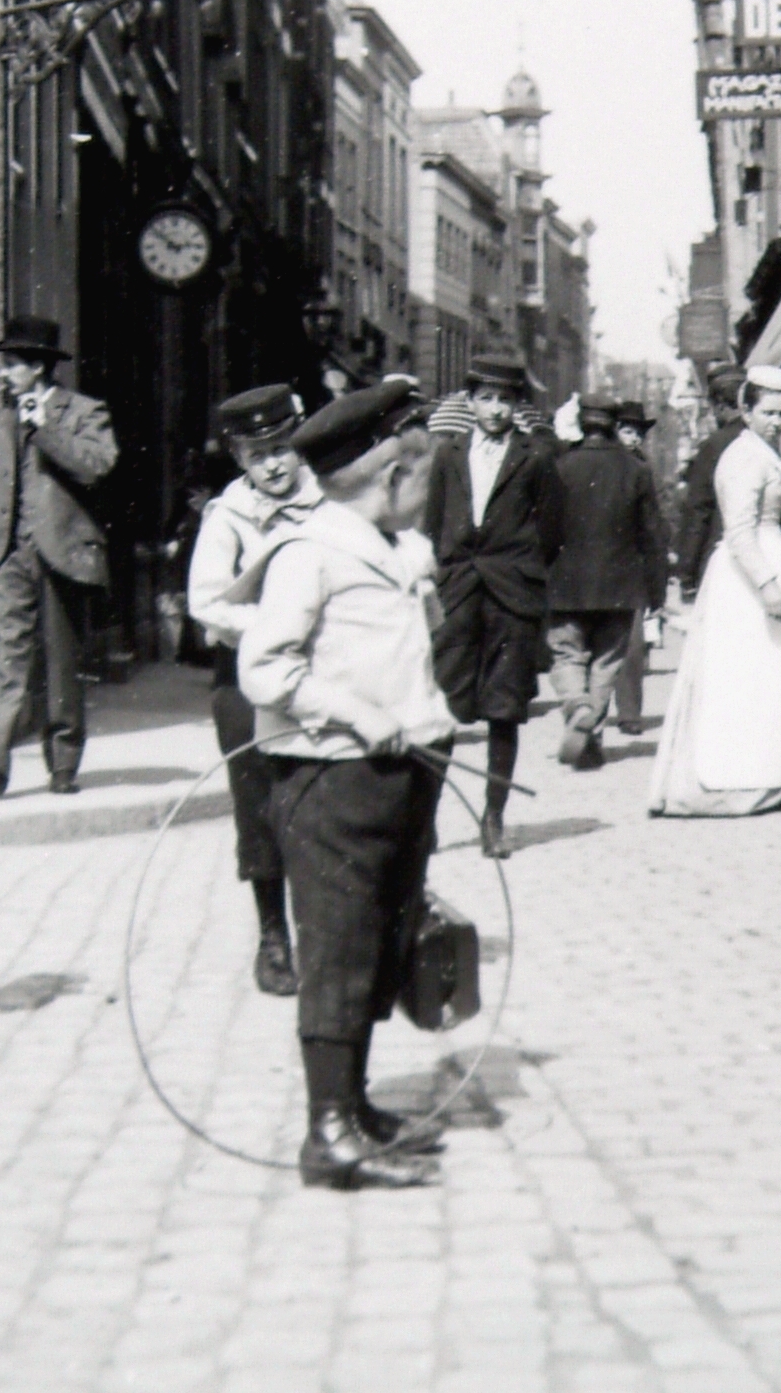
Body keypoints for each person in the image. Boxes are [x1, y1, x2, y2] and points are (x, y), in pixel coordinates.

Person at [240, 380, 452, 1192]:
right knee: (337, 943)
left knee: (379, 940)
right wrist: (354, 711)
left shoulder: (387, 546)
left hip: (399, 773)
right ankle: (327, 1131)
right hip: (333, 778)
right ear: (393, 474)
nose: (427, 493)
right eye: (423, 476)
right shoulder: (311, 552)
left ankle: (354, 1105)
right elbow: (264, 666)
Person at [185, 383, 320, 997]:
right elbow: (207, 602)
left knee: (321, 801)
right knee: (260, 805)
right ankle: (272, 937)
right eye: (257, 455)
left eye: (281, 449)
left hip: (321, 670)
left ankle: (324, 930)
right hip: (247, 676)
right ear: (239, 458)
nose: (273, 466)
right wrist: (276, 623)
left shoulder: (328, 501)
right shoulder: (228, 517)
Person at [0, 316, 117, 799]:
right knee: (7, 659)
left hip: (61, 553)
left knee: (60, 662)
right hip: (8, 554)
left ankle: (63, 763)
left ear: (39, 367)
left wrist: (42, 428)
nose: (4, 374)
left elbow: (97, 465)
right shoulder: (1, 419)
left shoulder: (85, 411)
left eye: (12, 365)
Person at [649, 366, 781, 817]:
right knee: (747, 675)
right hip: (748, 574)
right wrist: (767, 585)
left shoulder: (773, 450)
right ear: (746, 412)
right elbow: (740, 531)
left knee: (780, 672)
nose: (776, 422)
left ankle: (780, 771)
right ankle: (739, 777)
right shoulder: (742, 457)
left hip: (774, 556)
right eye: (767, 413)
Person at [424, 353, 564, 860]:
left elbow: (552, 529)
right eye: (486, 398)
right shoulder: (448, 453)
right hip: (459, 592)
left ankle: (493, 818)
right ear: (471, 401)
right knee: (441, 707)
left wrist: (519, 568)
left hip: (512, 596)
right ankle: (425, 820)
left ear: (517, 404)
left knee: (504, 709)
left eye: (505, 399)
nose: (496, 409)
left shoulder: (535, 457)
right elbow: (433, 521)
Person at [548, 395, 668, 768]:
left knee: (568, 654)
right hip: (620, 584)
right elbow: (653, 535)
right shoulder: (636, 470)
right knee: (606, 661)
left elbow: (543, 528)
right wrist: (656, 590)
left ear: (582, 425)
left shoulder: (559, 466)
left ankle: (576, 705)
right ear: (614, 427)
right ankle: (592, 737)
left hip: (566, 583)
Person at [610, 398, 667, 733]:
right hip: (616, 561)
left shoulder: (643, 467)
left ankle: (629, 712)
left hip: (633, 564)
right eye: (627, 431)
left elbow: (653, 521)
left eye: (637, 433)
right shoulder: (610, 465)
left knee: (633, 645)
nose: (633, 439)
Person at [674, 365, 748, 597]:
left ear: (720, 406)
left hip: (723, 557)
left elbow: (699, 510)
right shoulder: (772, 440)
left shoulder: (714, 445)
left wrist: (686, 572)